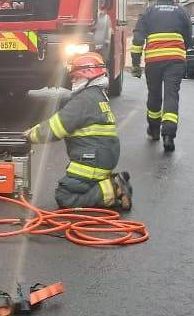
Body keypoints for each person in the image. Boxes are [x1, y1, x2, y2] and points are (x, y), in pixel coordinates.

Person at [25, 52, 132, 210]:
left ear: (88, 74)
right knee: (80, 186)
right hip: (102, 157)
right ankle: (113, 183)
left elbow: (56, 127)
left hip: (92, 161)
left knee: (65, 196)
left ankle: (113, 189)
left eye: (76, 77)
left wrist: (30, 135)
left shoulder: (84, 100)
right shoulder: (98, 96)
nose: (73, 81)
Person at [130, 0, 192, 153]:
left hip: (154, 61)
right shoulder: (182, 12)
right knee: (171, 95)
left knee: (154, 95)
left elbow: (137, 40)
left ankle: (154, 129)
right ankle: (169, 135)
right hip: (175, 61)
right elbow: (188, 38)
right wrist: (181, 53)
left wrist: (135, 64)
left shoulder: (148, 12)